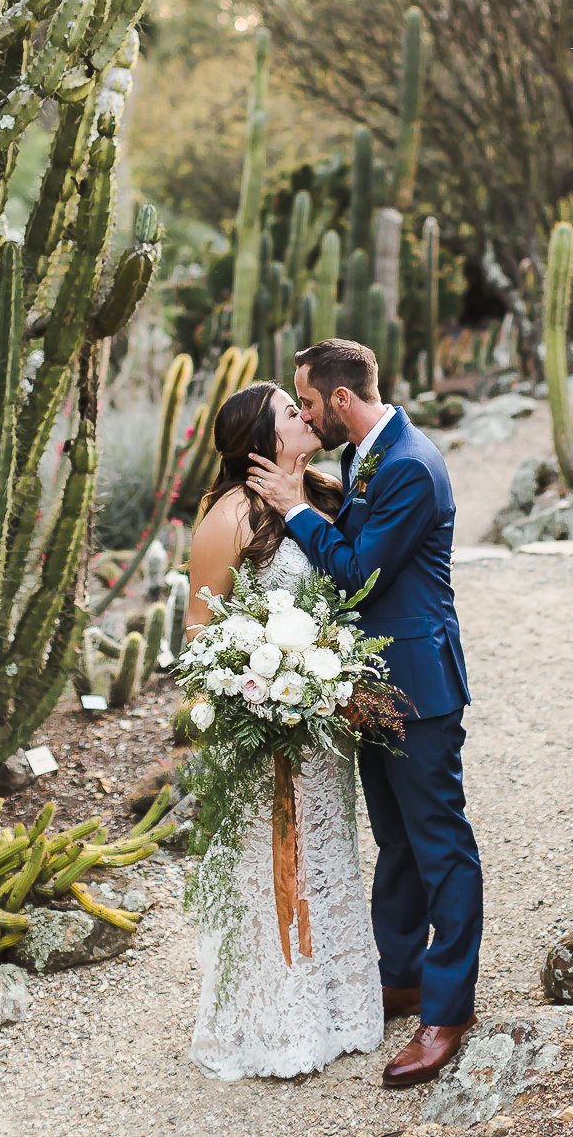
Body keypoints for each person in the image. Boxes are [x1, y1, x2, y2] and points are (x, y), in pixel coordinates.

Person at [248, 338, 484, 1090]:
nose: (307, 417)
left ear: (341, 400)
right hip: (374, 685)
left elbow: (356, 568)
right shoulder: (364, 454)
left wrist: (292, 510)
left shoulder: (410, 465)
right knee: (397, 842)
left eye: (308, 403)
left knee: (440, 844)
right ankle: (403, 978)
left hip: (419, 684)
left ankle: (449, 1010)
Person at [186, 381, 383, 1081]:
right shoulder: (232, 516)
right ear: (260, 440)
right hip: (267, 733)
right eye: (288, 412)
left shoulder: (327, 494)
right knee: (272, 863)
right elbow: (197, 637)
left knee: (330, 861)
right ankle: (276, 1025)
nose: (305, 416)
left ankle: (339, 1010)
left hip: (326, 730)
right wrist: (257, 695)